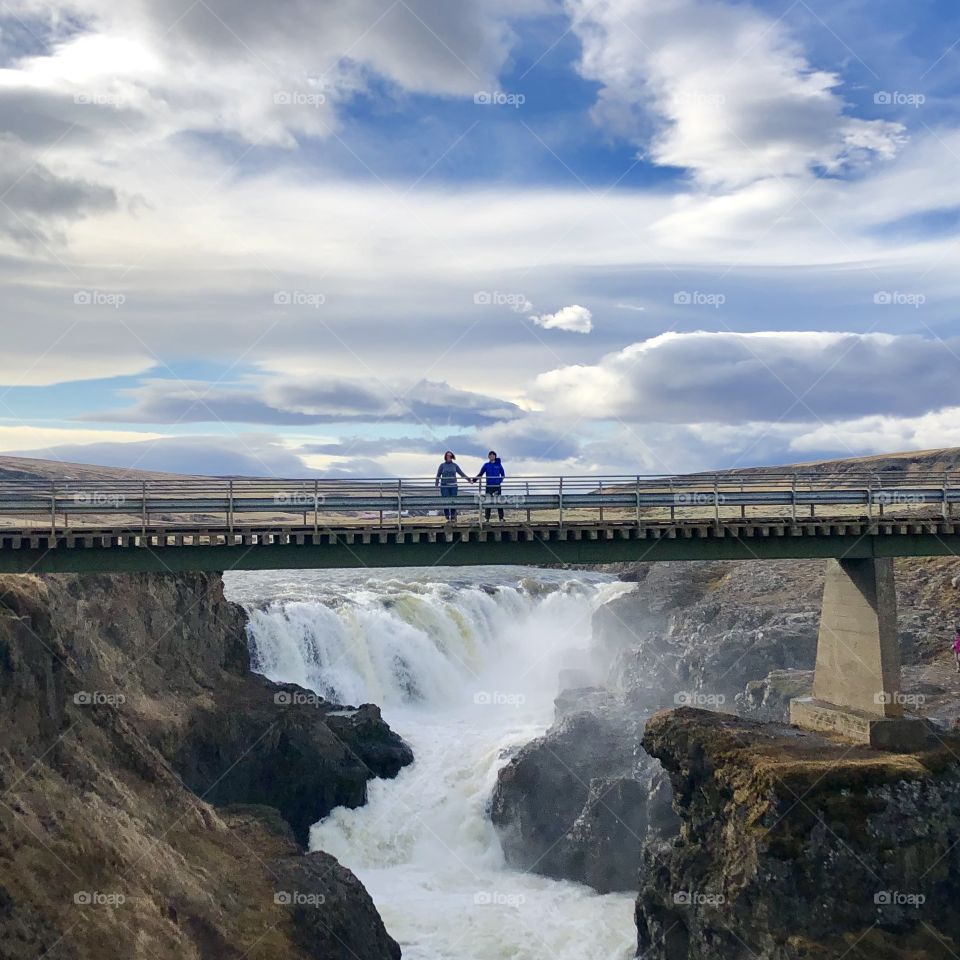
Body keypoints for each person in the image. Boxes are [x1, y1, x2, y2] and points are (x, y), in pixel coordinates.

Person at [435, 450, 468, 521]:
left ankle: (453, 516)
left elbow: (461, 474)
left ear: (452, 457)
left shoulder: (455, 465)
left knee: (453, 501)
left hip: (453, 486)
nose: (449, 457)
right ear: (445, 457)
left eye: (450, 456)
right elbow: (438, 475)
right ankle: (447, 516)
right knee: (445, 500)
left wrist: (469, 480)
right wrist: (436, 483)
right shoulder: (442, 465)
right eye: (447, 456)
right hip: (444, 486)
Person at [474, 450, 506, 521]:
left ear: (495, 456)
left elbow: (503, 475)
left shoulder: (499, 465)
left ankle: (501, 518)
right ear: (488, 456)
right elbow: (480, 474)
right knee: (488, 501)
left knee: (499, 501)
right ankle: (487, 518)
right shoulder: (486, 465)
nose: (492, 456)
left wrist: (499, 481)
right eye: (490, 455)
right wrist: (474, 480)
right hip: (489, 486)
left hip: (497, 486)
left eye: (493, 455)